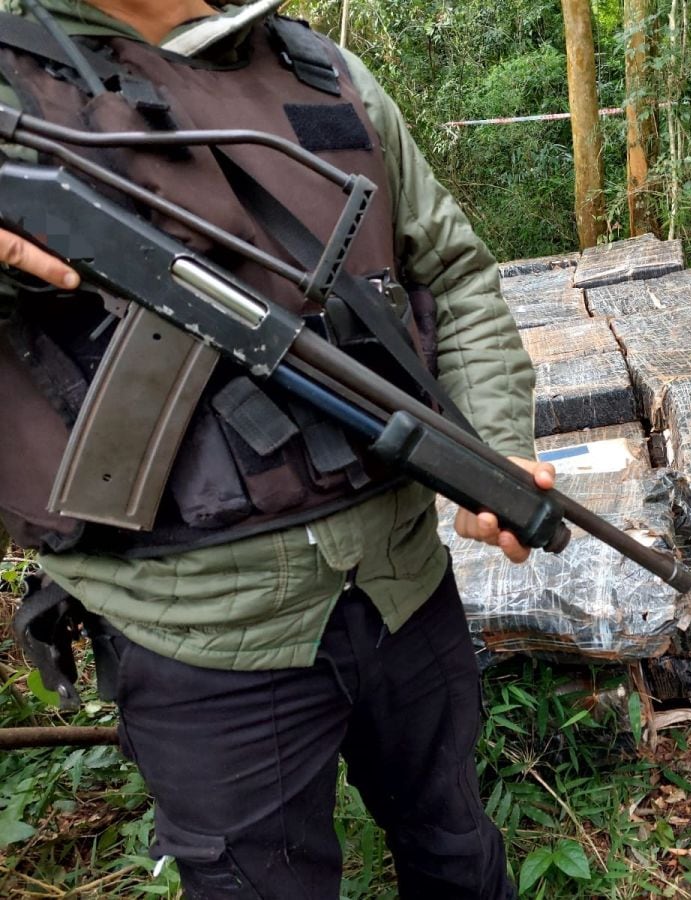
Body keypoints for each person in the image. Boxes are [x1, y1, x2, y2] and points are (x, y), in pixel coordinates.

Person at [0, 1, 552, 897]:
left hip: (404, 584)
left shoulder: (321, 70)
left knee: (453, 840)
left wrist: (491, 451)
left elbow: (449, 272)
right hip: (198, 631)